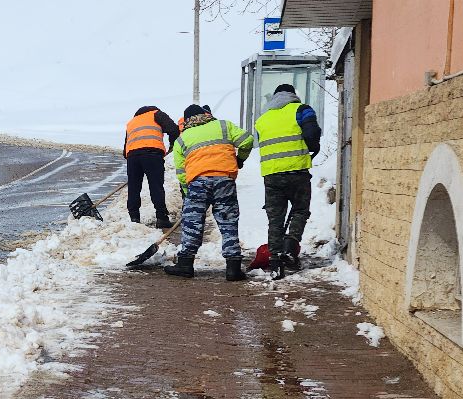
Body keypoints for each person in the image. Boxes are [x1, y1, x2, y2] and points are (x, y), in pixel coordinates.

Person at [163, 104, 254, 281]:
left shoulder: (182, 139)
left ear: (187, 121)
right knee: (228, 222)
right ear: (206, 115)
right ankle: (233, 268)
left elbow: (182, 173)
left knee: (192, 222)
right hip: (224, 180)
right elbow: (247, 140)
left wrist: (188, 193)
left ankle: (185, 264)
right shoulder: (223, 126)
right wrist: (239, 160)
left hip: (197, 182)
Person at [254, 83, 322, 279]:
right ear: (293, 95)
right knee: (300, 210)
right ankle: (290, 247)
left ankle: (275, 262)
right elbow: (312, 133)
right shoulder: (302, 109)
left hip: (271, 175)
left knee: (275, 219)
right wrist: (313, 147)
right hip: (297, 172)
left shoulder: (262, 119)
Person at [121, 105, 179, 228]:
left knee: (134, 187)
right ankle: (162, 218)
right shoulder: (156, 114)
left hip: (132, 156)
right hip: (152, 154)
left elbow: (126, 146)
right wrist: (172, 146)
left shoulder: (131, 122)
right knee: (156, 186)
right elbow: (174, 129)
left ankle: (134, 218)